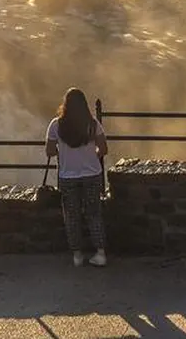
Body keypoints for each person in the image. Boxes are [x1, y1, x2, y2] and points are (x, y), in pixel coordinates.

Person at [45, 87, 109, 267]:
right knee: (94, 213)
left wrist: (64, 153)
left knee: (71, 216)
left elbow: (49, 151)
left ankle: (77, 255)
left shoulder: (56, 125)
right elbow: (103, 149)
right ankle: (100, 253)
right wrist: (90, 155)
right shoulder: (93, 123)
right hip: (92, 174)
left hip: (68, 176)